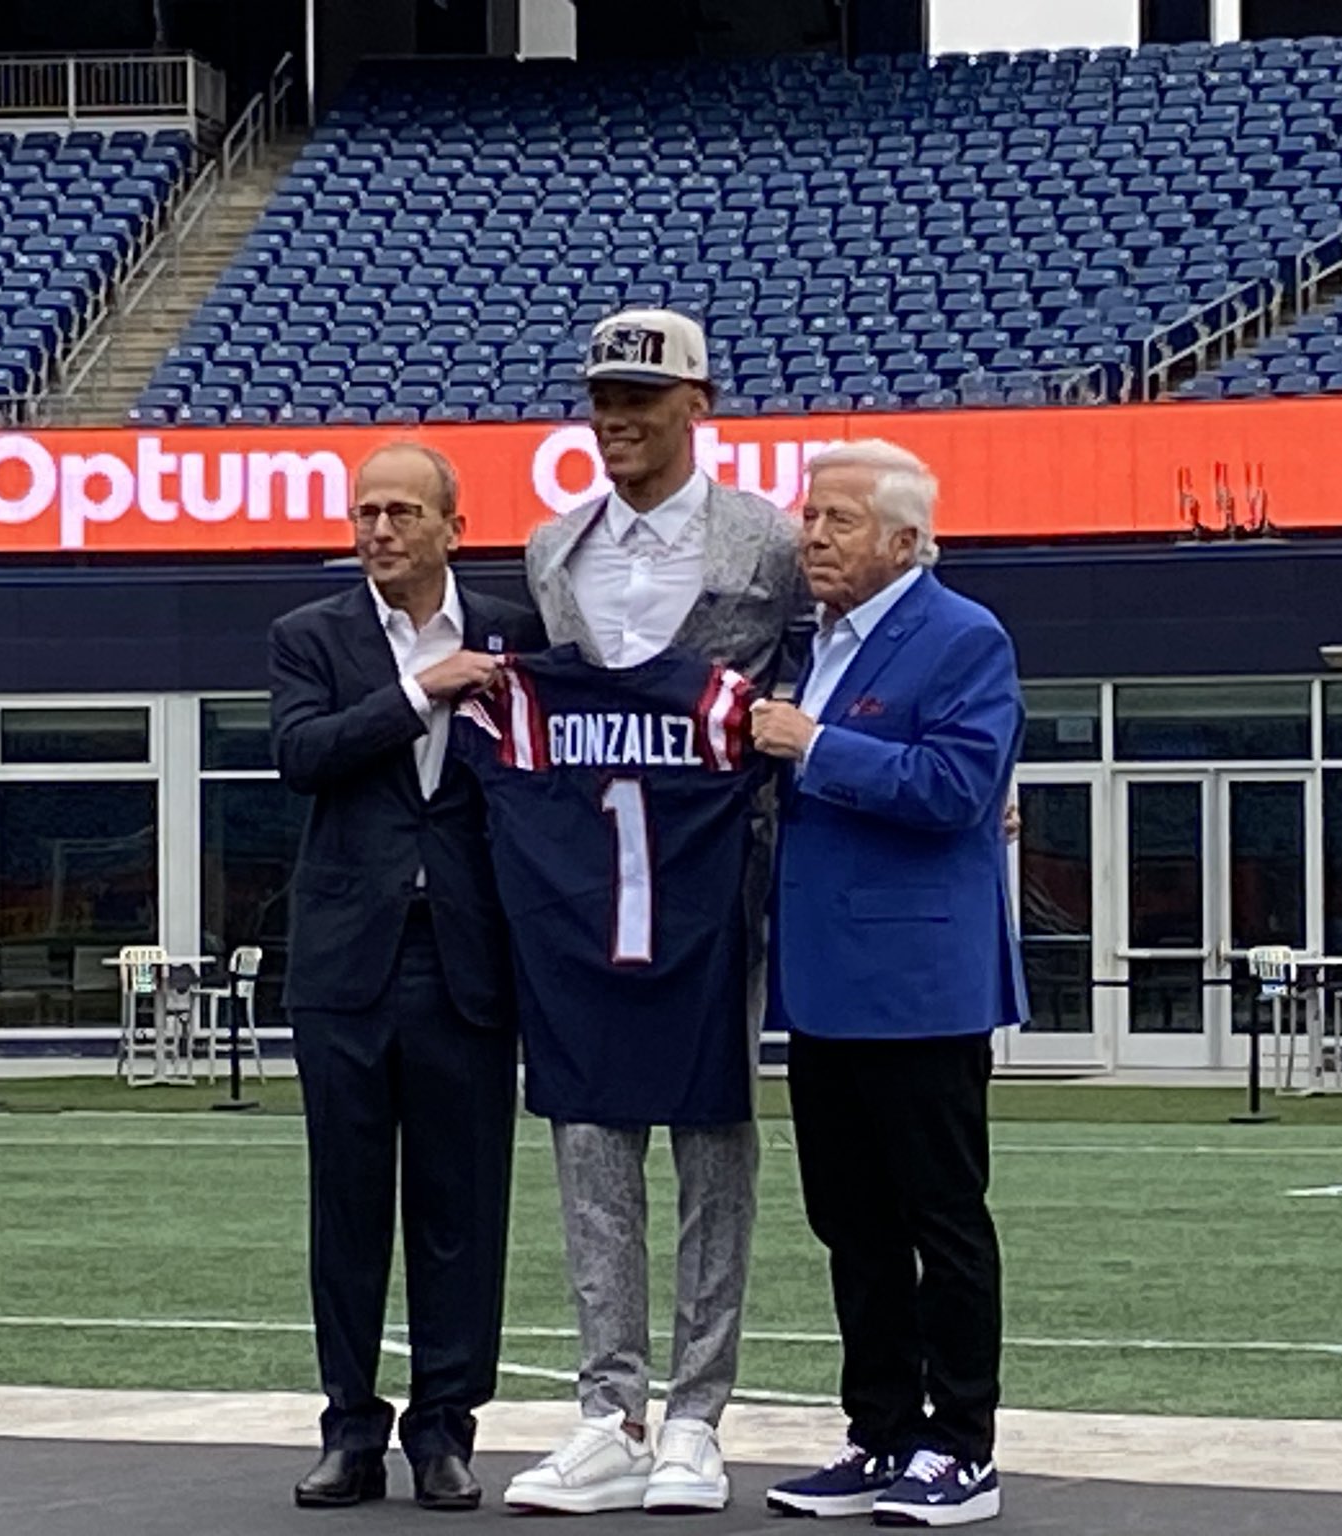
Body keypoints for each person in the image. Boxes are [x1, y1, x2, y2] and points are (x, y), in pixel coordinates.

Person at [504, 308, 806, 1515]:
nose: (615, 418)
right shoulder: (549, 548)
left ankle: (696, 1412)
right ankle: (605, 1409)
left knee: (713, 1140)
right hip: (587, 888)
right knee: (586, 1139)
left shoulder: (772, 544)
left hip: (716, 883)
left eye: (640, 394)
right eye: (599, 397)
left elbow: (828, 676)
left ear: (697, 400)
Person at [751, 440, 1027, 1528]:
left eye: (839, 520)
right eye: (809, 517)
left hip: (919, 982)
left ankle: (959, 1447)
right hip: (824, 982)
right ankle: (877, 1432)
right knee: (849, 1222)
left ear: (905, 541)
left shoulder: (961, 637)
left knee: (939, 1221)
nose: (811, 536)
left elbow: (956, 788)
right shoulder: (808, 643)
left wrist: (812, 744)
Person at [270, 443, 544, 1512]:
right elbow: (303, 755)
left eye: (399, 512)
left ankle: (444, 1431)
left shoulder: (511, 635)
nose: (377, 530)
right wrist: (416, 691)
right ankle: (348, 1428)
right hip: (344, 966)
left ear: (450, 526)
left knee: (459, 1210)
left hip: (464, 961)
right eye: (363, 513)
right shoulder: (311, 637)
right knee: (345, 1209)